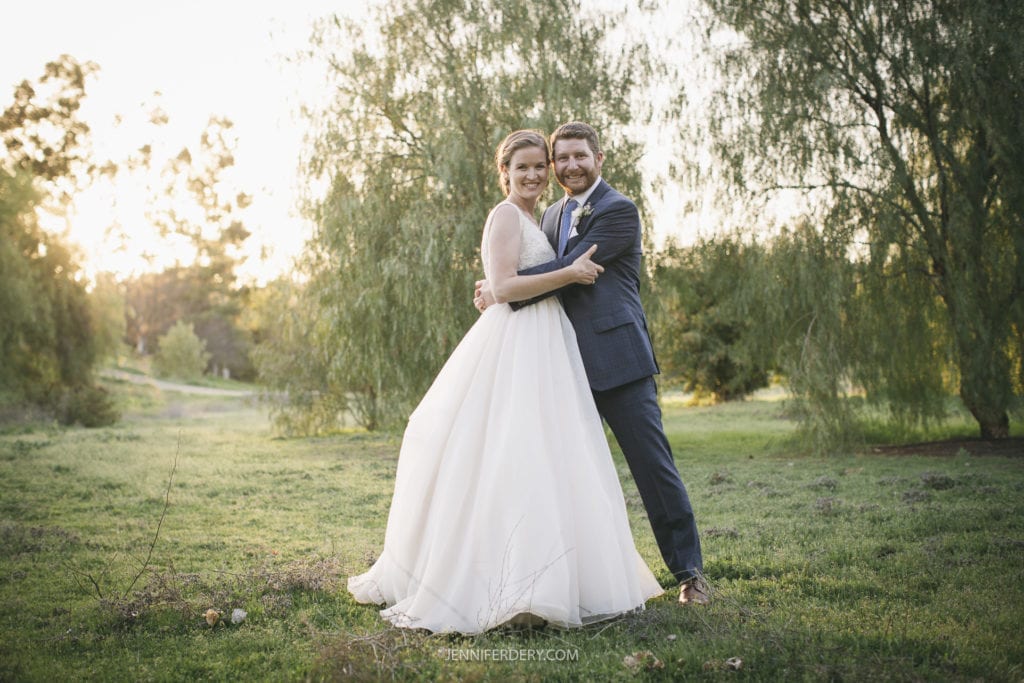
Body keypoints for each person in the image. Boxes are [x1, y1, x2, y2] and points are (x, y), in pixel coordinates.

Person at [347, 130, 664, 634]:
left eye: (543, 165)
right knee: (510, 454)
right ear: (505, 173)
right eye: (525, 168)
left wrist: (518, 285)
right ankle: (499, 579)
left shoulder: (552, 217)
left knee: (549, 459)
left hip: (550, 346)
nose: (537, 174)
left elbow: (512, 282)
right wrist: (559, 276)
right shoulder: (505, 215)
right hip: (517, 345)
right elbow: (505, 285)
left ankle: (558, 575)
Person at [475, 121, 708, 605]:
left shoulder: (619, 210)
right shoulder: (552, 213)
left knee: (653, 468)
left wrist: (502, 289)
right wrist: (503, 284)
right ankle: (568, 580)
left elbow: (576, 266)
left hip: (618, 361)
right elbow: (539, 271)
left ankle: (691, 575)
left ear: (599, 158)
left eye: (579, 156)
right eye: (561, 159)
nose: (569, 166)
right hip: (558, 364)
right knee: (562, 473)